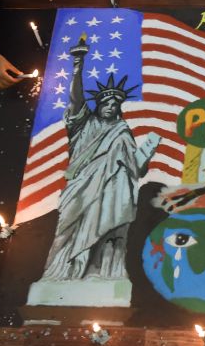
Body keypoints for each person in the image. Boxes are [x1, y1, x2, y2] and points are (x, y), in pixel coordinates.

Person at [39, 36, 159, 282]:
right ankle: (57, 273)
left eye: (115, 104)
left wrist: (147, 150)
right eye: (106, 102)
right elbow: (75, 99)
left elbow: (135, 167)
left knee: (110, 231)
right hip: (81, 184)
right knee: (66, 229)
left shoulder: (122, 131)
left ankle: (101, 271)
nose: (111, 106)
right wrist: (78, 64)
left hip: (114, 190)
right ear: (98, 105)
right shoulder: (84, 124)